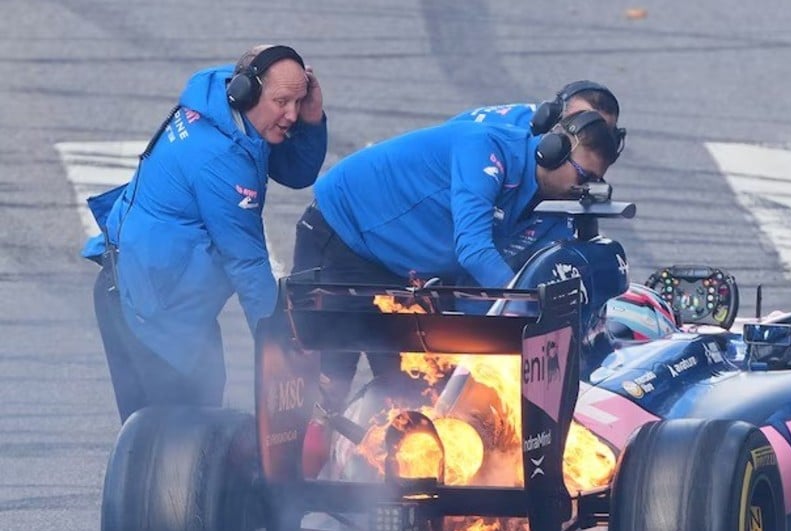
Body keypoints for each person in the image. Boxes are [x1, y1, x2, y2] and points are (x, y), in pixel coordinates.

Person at [292, 110, 621, 474]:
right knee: (328, 384)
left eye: (594, 182)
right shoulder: (485, 149)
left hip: (400, 262)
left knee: (409, 386)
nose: (583, 189)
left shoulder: (543, 197)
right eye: (583, 176)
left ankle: (396, 490)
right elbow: (475, 251)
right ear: (552, 150)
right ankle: (288, 499)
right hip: (344, 231)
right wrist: (528, 304)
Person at [83, 44, 327, 423]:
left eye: (299, 101)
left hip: (159, 297)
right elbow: (247, 264)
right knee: (175, 441)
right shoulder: (220, 161)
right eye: (282, 101)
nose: (291, 114)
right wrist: (280, 354)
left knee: (193, 427)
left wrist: (312, 121)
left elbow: (296, 173)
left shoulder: (228, 109)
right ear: (247, 90)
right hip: (147, 311)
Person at [449, 80, 626, 268]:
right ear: (551, 119)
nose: (592, 134)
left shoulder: (571, 155)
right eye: (582, 121)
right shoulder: (505, 141)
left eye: (600, 130)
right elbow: (477, 242)